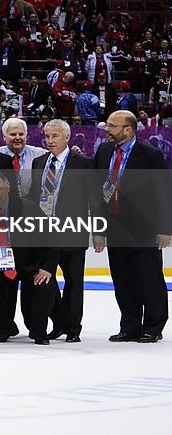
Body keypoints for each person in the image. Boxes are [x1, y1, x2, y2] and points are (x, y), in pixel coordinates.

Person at [95, 110, 172, 343]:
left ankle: (153, 326)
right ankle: (129, 326)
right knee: (122, 279)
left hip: (144, 227)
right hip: (114, 226)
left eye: (111, 126)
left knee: (149, 279)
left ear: (128, 130)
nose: (106, 129)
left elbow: (163, 193)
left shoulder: (151, 155)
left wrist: (165, 227)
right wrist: (98, 229)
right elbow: (99, 192)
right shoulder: (104, 150)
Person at [26, 119, 98, 343]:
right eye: (46, 137)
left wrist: (98, 231)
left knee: (74, 283)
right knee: (46, 282)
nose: (49, 141)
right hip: (43, 235)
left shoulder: (84, 164)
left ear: (67, 138)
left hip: (72, 233)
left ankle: (73, 328)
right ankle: (59, 323)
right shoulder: (39, 162)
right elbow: (34, 198)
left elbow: (95, 200)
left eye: (54, 136)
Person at [0, 171, 60, 345]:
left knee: (44, 287)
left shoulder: (28, 208)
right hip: (2, 265)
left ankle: (39, 331)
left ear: (8, 186)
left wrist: (47, 267)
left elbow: (52, 238)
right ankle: (4, 328)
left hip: (31, 264)